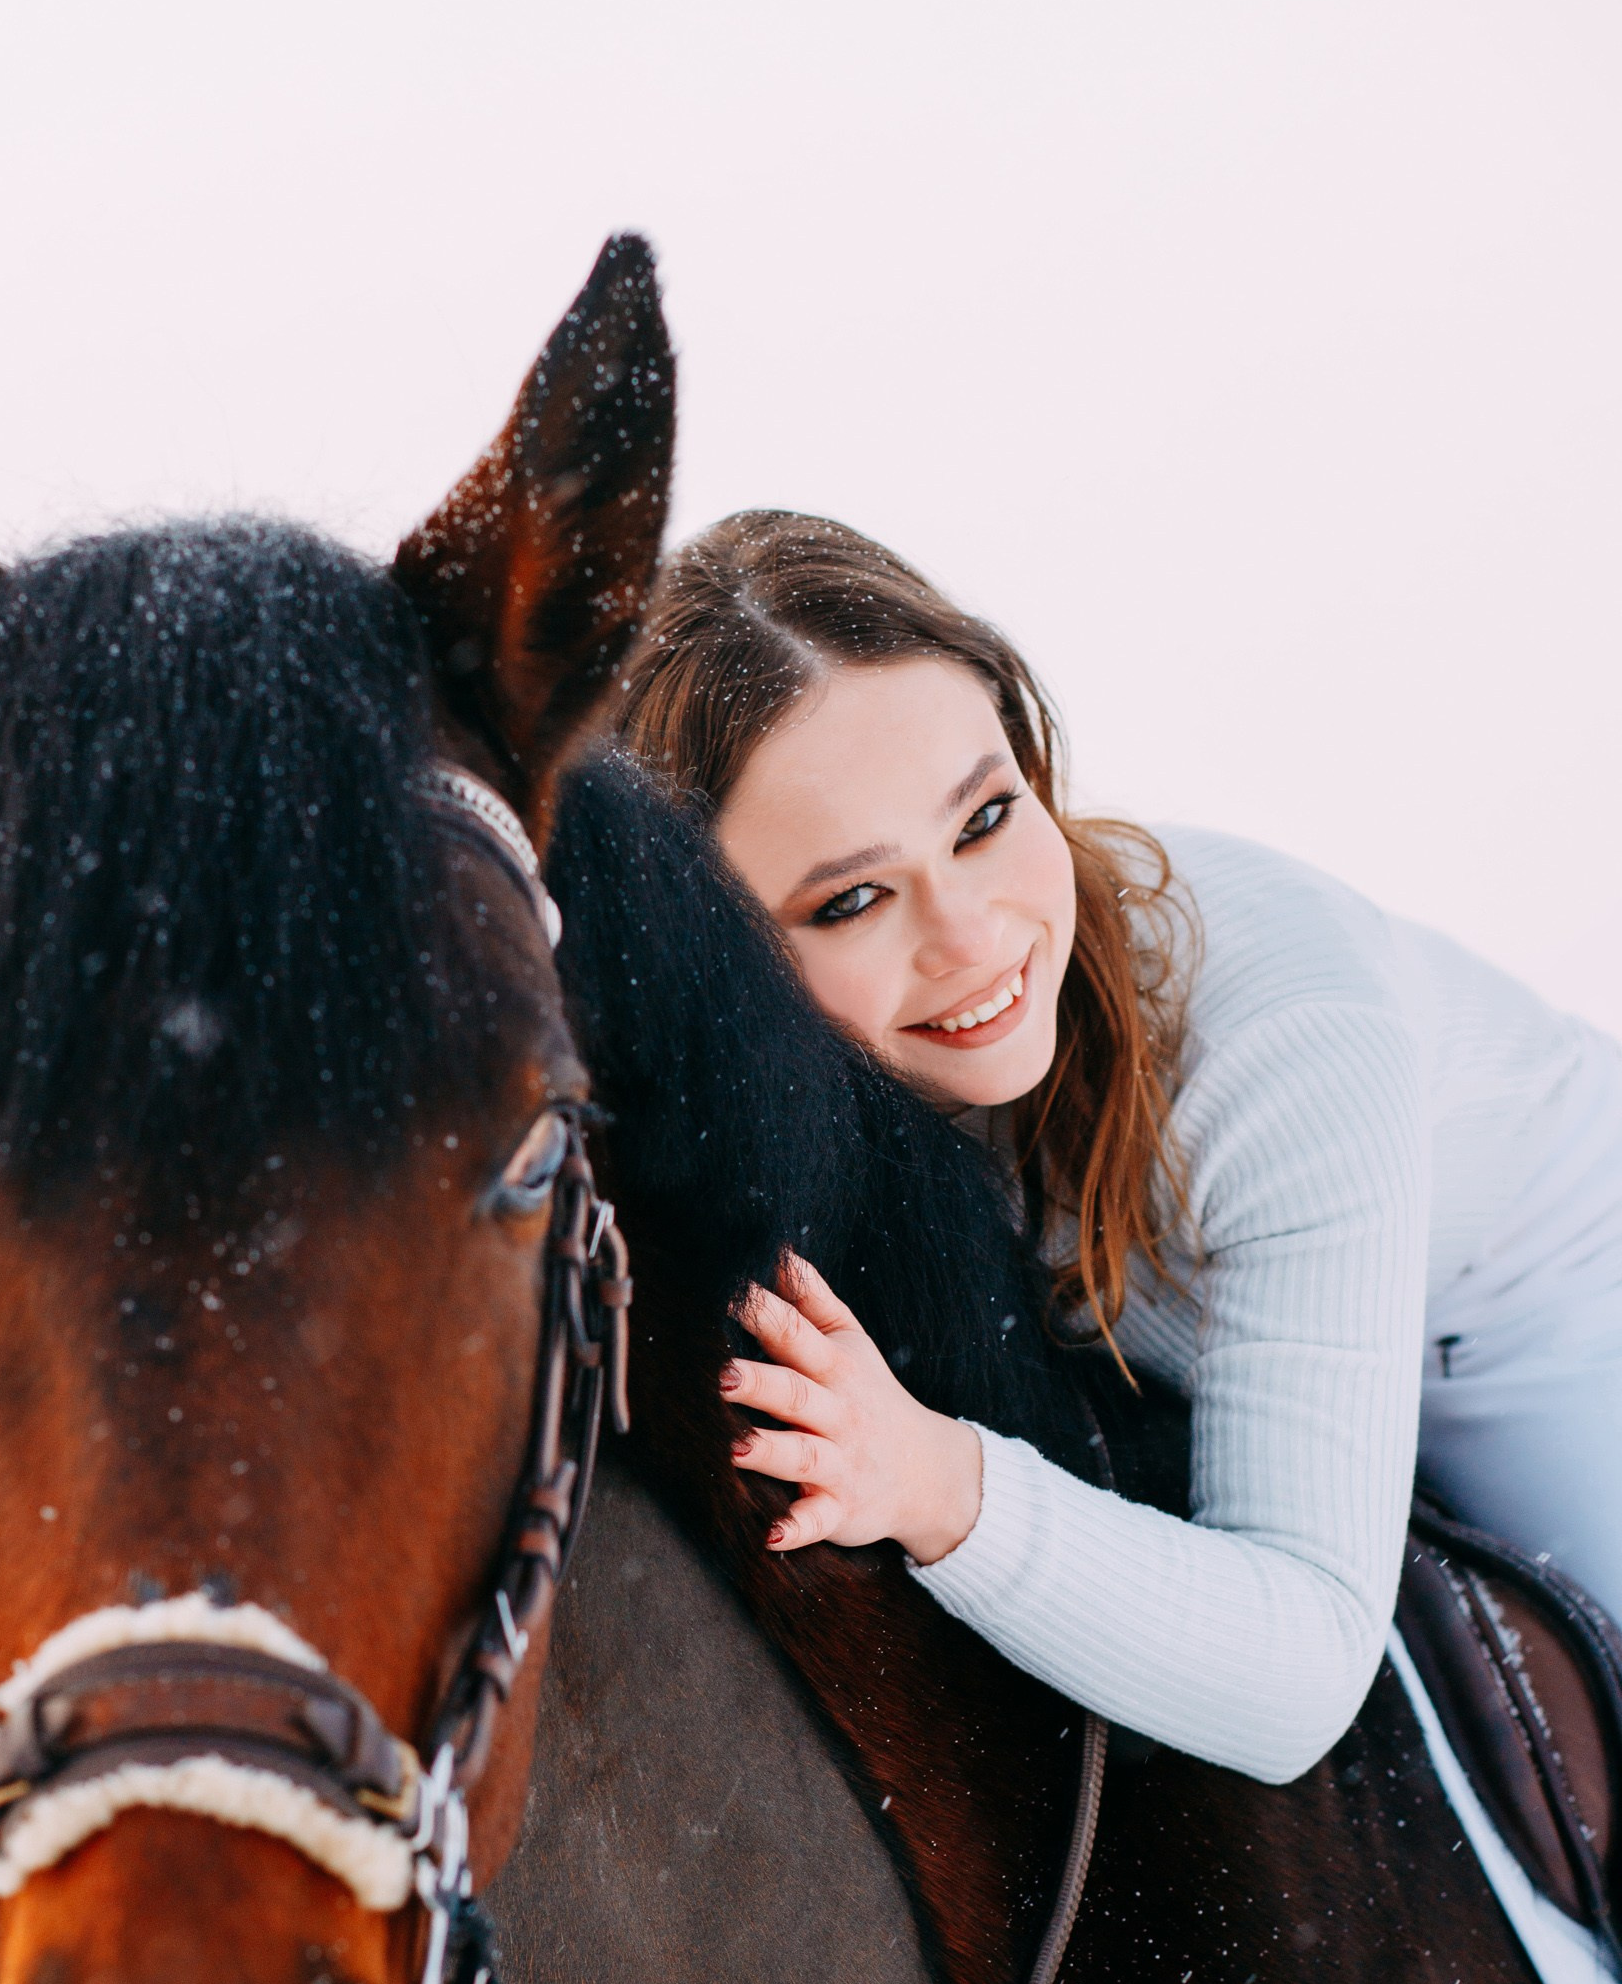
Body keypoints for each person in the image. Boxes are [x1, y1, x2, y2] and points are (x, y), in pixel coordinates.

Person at [618, 511, 1622, 1784]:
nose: (974, 938)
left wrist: (939, 1485)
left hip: (1548, 1312)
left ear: (1029, 763)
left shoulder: (1280, 1035)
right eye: (853, 898)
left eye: (982, 819)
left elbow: (1300, 1679)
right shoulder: (782, 1064)